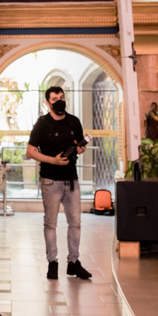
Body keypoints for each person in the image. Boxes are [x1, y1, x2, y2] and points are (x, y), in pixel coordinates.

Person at [27, 86, 91, 281]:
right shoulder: (42, 123)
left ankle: (73, 262)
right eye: (55, 98)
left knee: (76, 223)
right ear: (48, 103)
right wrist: (52, 160)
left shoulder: (74, 121)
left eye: (62, 97)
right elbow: (30, 151)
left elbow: (79, 144)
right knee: (51, 223)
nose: (59, 101)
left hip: (71, 179)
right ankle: (52, 263)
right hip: (50, 180)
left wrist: (80, 150)